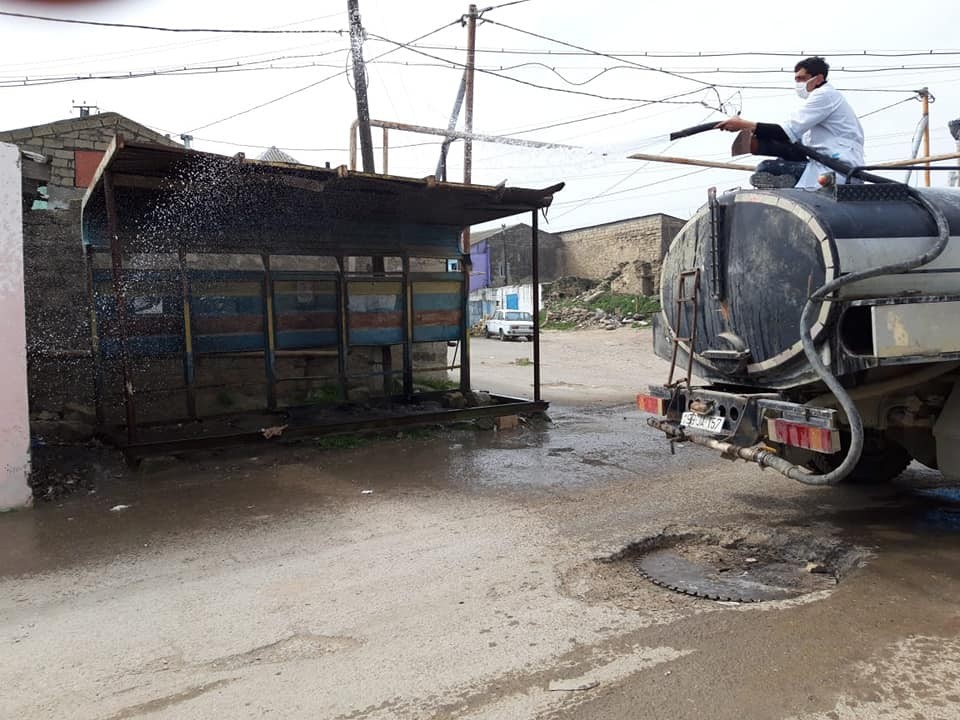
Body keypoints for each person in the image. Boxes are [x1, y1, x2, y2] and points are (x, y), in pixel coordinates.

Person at [716, 56, 865, 189]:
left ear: (819, 79)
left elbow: (785, 132)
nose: (798, 84)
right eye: (796, 80)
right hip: (826, 166)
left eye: (802, 78)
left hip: (837, 169)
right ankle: (786, 182)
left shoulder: (825, 95)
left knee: (765, 168)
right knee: (776, 162)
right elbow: (794, 143)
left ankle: (787, 184)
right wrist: (761, 143)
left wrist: (742, 124)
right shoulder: (820, 103)